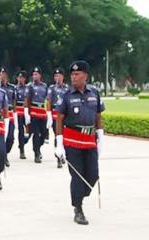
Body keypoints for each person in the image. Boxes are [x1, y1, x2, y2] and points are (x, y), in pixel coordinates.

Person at [55, 60, 105, 225]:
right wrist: (59, 143)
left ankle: (78, 196)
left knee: (92, 175)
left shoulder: (94, 93)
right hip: (72, 140)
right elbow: (59, 119)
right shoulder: (67, 95)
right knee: (77, 176)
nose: (74, 77)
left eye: (77, 74)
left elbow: (98, 116)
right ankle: (78, 209)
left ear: (86, 76)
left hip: (90, 140)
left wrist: (101, 137)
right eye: (72, 74)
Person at [24, 67, 47, 163]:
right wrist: (27, 113)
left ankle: (38, 147)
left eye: (36, 74)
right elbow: (27, 100)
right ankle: (36, 153)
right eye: (33, 74)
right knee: (36, 134)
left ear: (40, 75)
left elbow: (48, 99)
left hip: (42, 111)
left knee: (44, 134)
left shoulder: (45, 86)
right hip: (34, 111)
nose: (35, 76)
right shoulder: (30, 86)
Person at [46, 67, 69, 168]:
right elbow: (49, 102)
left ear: (63, 77)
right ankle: (58, 157)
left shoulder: (67, 88)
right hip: (56, 115)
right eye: (55, 76)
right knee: (58, 136)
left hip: (66, 116)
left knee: (65, 136)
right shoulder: (51, 88)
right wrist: (49, 116)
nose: (57, 78)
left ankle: (63, 153)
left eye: (59, 75)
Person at [0, 67, 16, 167]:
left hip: (10, 114)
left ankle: (5, 153)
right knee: (1, 137)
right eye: (1, 74)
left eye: (4, 74)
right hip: (0, 115)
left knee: (10, 138)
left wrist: (15, 114)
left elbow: (14, 102)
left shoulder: (12, 88)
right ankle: (3, 156)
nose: (3, 76)